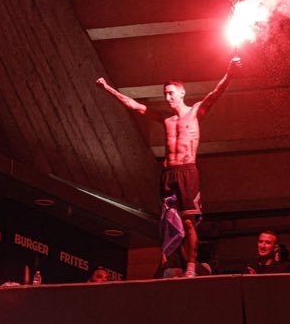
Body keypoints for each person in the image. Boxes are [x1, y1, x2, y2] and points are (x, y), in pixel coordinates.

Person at [96, 57, 241, 277]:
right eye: (165, 94)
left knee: (189, 222)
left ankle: (191, 267)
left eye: (171, 93)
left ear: (182, 93)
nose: (167, 97)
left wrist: (230, 73)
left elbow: (215, 93)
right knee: (167, 223)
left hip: (186, 171)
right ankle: (172, 263)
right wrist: (107, 88)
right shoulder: (166, 119)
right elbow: (135, 106)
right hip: (168, 173)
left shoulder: (195, 112)